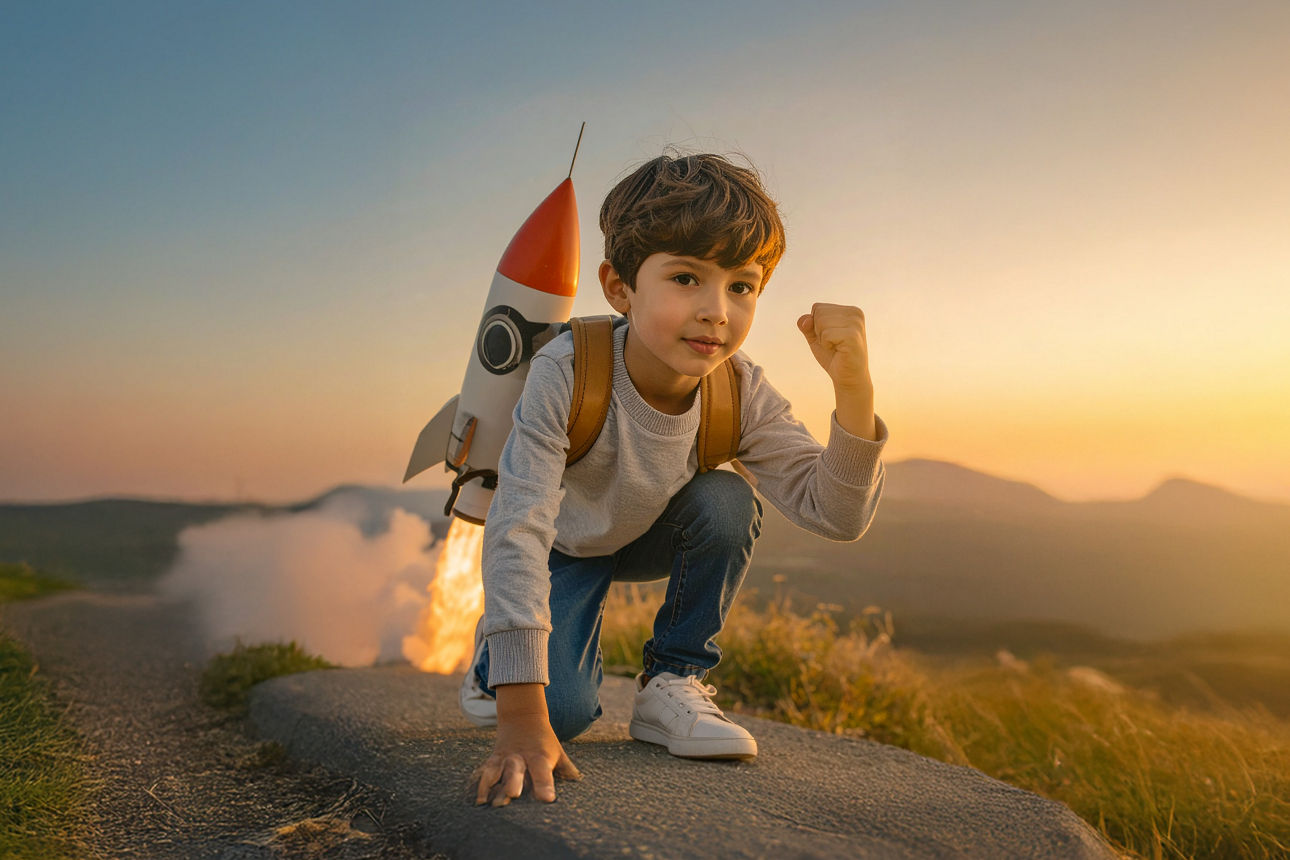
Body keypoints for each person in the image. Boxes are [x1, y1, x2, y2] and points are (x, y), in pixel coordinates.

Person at [463, 152, 888, 806]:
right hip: (561, 549)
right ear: (619, 287)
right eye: (687, 278)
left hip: (644, 536)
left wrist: (854, 391)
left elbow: (836, 514)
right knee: (564, 717)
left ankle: (672, 681)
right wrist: (522, 715)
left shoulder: (739, 389)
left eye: (742, 286)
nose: (717, 311)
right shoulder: (568, 370)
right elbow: (517, 526)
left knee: (726, 500)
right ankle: (498, 658)